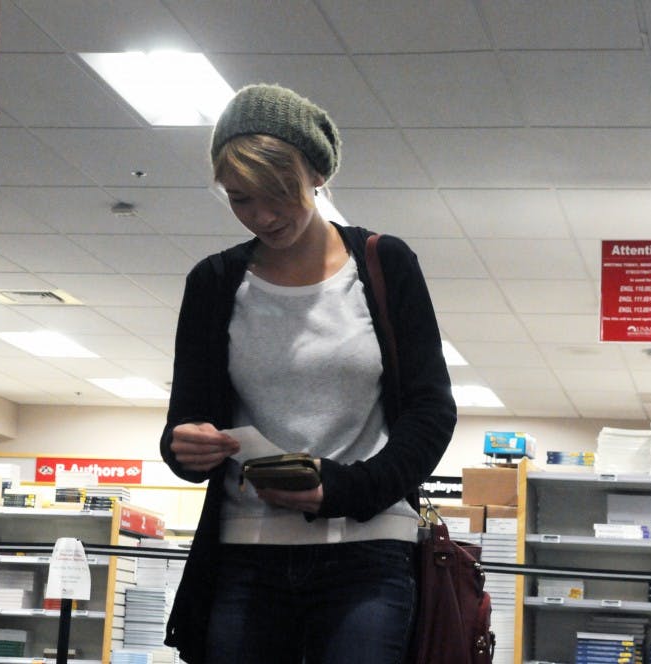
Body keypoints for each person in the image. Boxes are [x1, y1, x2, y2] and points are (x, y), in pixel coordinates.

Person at [159, 83, 456, 664]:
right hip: (246, 554)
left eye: (277, 193)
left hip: (369, 552)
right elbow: (188, 419)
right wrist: (184, 447)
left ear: (316, 174)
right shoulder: (215, 283)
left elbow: (431, 411)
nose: (263, 216)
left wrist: (345, 488)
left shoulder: (383, 263)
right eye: (241, 199)